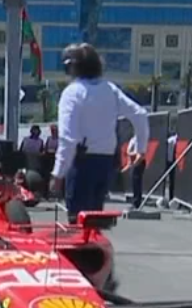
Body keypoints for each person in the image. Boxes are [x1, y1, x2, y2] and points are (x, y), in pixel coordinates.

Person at [51, 43, 148, 218]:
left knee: (78, 220)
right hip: (106, 162)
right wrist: (141, 148)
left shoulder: (72, 93)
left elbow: (68, 139)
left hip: (82, 162)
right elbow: (139, 114)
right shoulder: (110, 89)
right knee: (95, 218)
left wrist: (58, 174)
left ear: (72, 67)